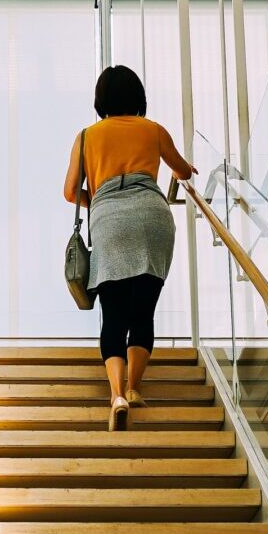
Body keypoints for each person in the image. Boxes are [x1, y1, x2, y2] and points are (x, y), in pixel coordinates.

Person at [63, 65, 195, 431]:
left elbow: (71, 191)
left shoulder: (87, 137)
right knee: (143, 313)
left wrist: (104, 200)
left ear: (100, 99)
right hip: (152, 217)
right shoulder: (153, 130)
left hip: (110, 222)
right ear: (138, 96)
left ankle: (117, 395)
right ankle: (136, 387)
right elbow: (184, 172)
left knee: (114, 315)